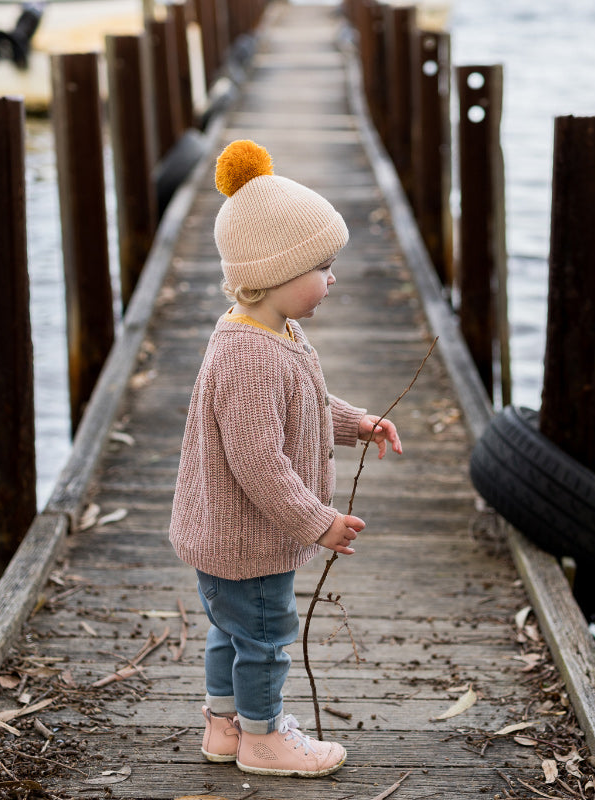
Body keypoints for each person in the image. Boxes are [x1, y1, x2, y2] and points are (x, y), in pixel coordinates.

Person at [169, 139, 402, 778]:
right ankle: (264, 738)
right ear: (276, 272)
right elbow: (260, 463)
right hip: (249, 540)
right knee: (266, 638)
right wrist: (317, 522)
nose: (333, 278)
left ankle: (225, 727)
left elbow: (304, 405)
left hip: (229, 538)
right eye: (323, 266)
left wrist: (357, 423)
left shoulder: (270, 332)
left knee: (232, 632)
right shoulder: (249, 357)